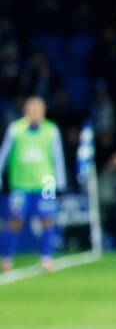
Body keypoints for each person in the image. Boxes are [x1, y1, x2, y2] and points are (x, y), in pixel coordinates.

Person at [1, 96, 66, 272]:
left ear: (43, 112)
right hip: (20, 183)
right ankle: (6, 258)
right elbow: (3, 154)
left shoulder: (51, 130)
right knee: (15, 220)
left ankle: (46, 257)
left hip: (46, 182)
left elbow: (57, 157)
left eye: (38, 110)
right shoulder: (15, 129)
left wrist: (60, 183)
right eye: (32, 109)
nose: (35, 113)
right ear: (25, 111)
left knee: (47, 219)